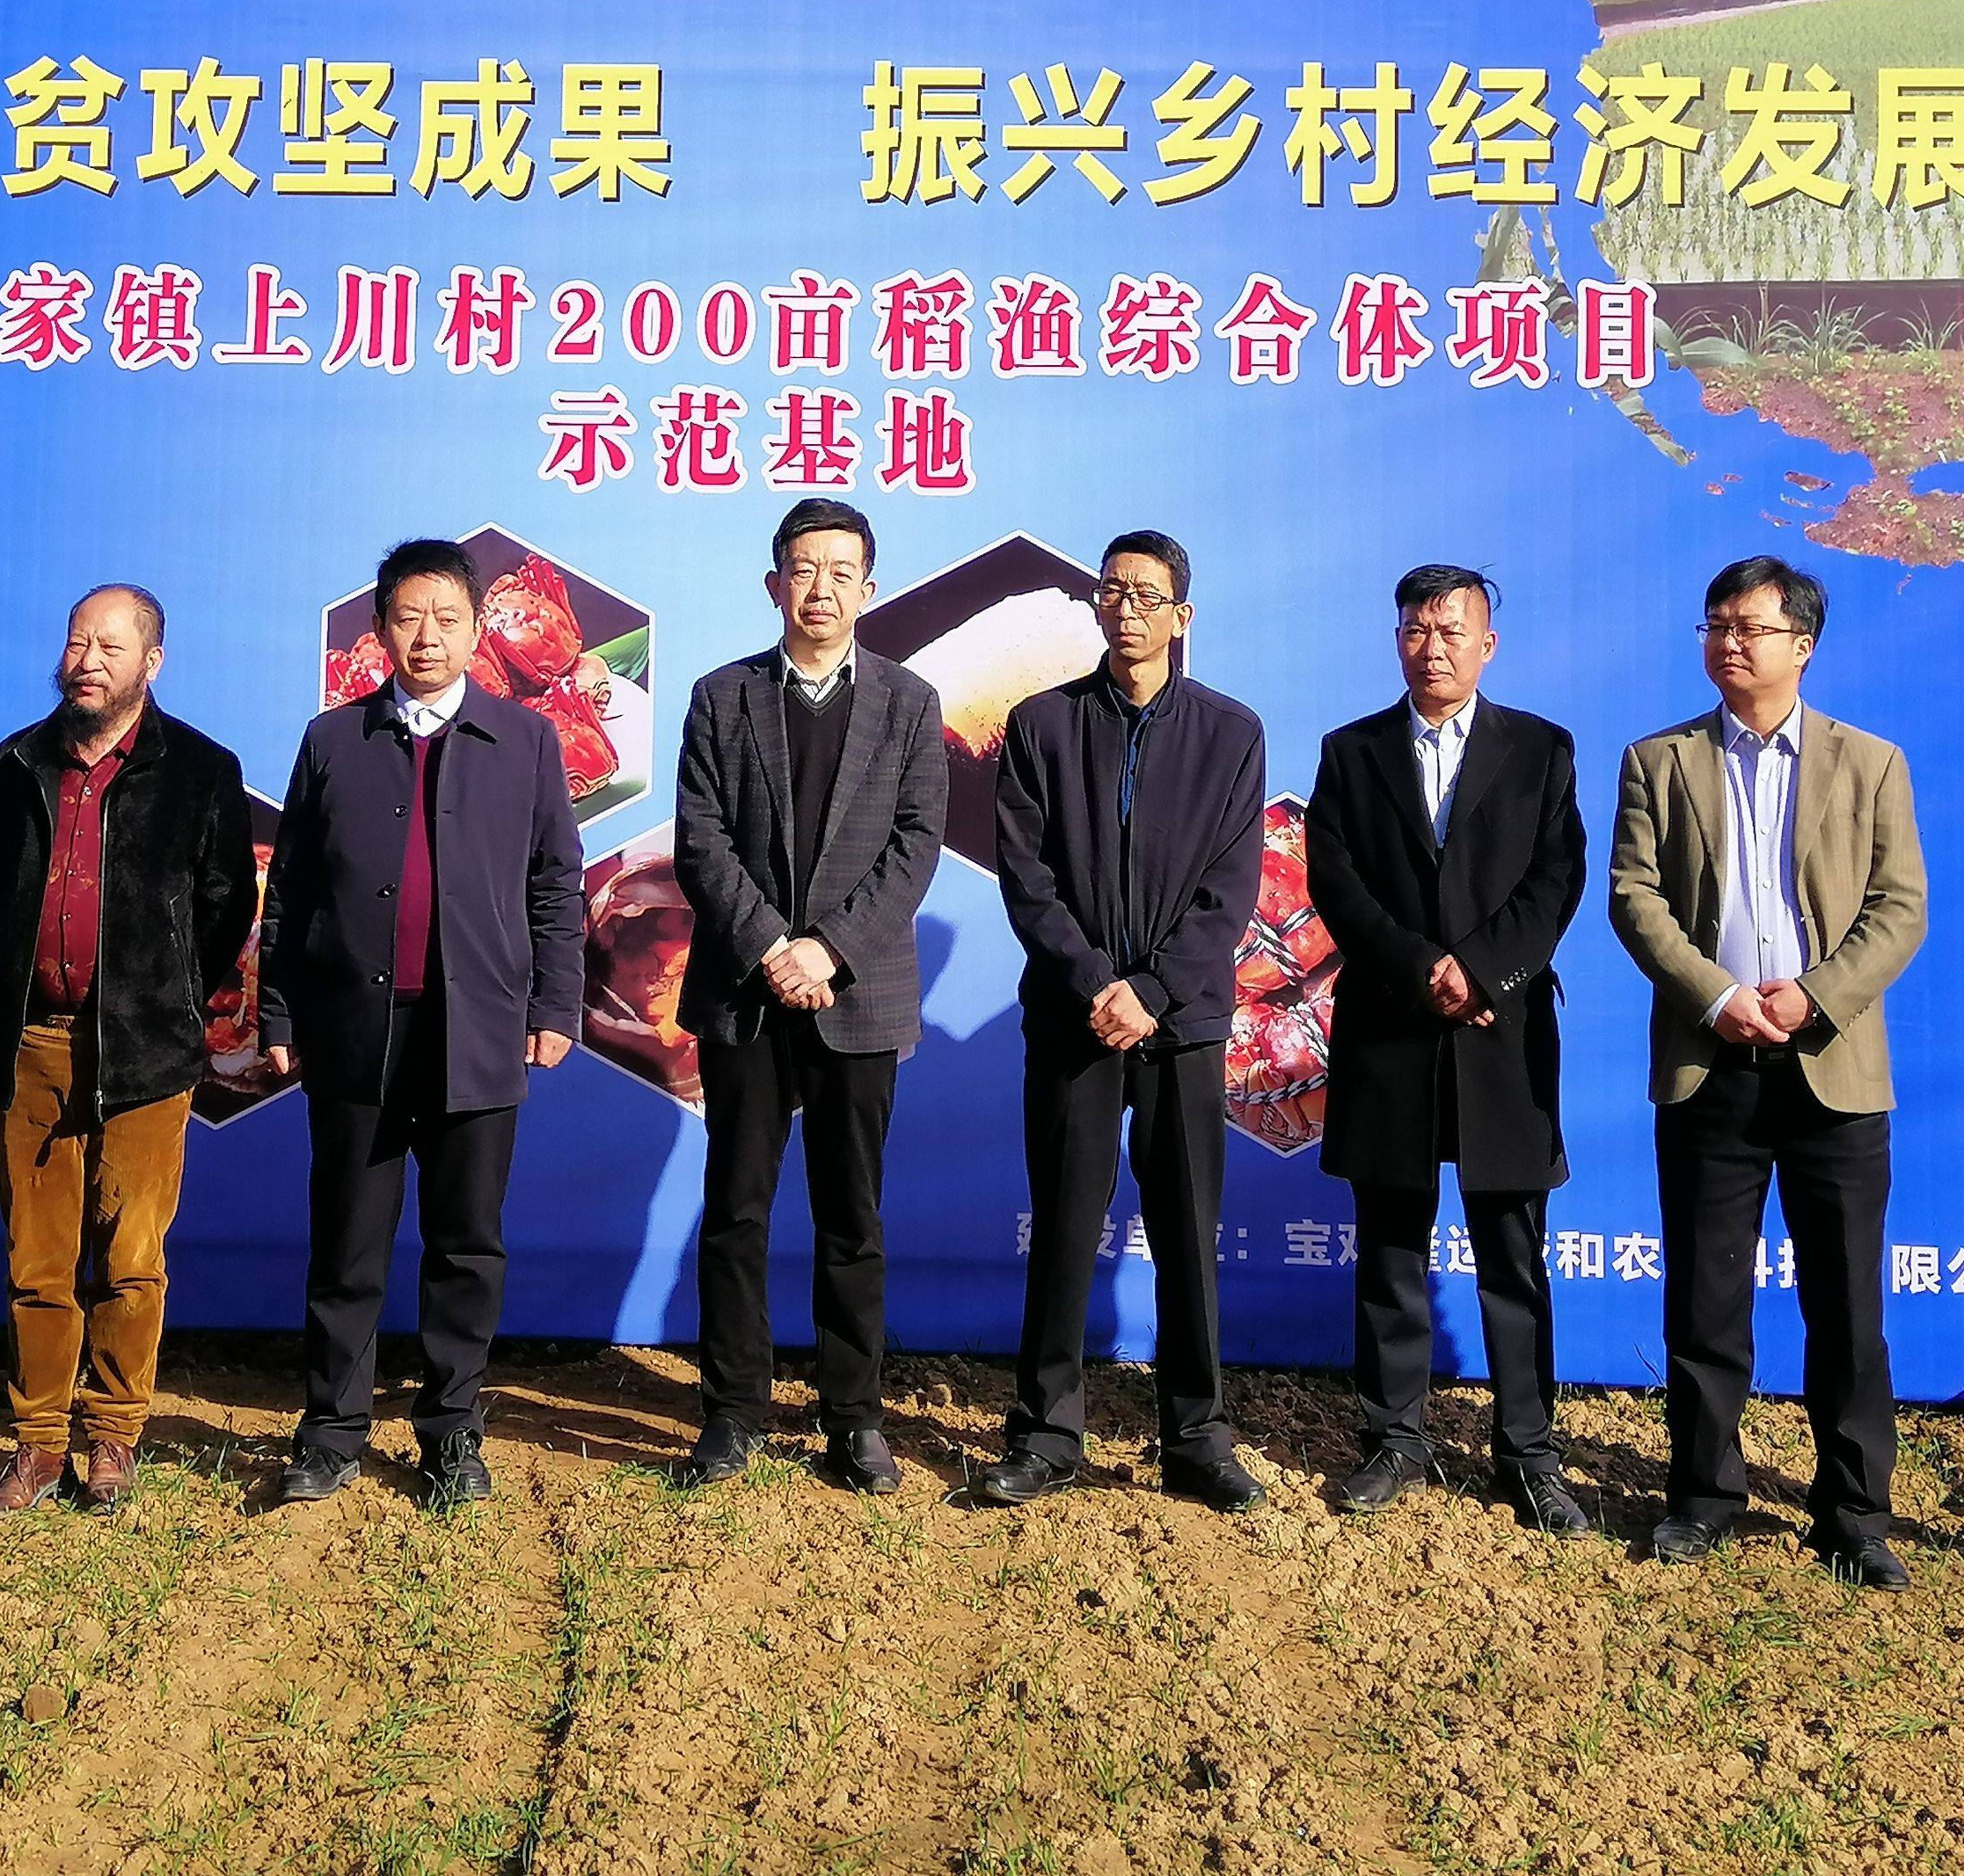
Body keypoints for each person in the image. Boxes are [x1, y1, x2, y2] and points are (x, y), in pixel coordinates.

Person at [1607, 556, 1928, 1587]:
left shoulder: (1869, 761)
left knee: (1847, 1306)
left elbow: (1900, 908)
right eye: (1715, 625)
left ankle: (1855, 1515)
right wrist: (1718, 996)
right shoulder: (1658, 760)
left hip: (1832, 1065)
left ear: (1803, 644)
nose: (1728, 643)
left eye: (1748, 626)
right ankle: (1703, 1498)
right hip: (1712, 1063)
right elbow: (1635, 898)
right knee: (1706, 1301)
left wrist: (1813, 997)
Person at [259, 537, 586, 1511]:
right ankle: (331, 1431)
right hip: (356, 1032)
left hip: (477, 1030)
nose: (428, 637)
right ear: (379, 631)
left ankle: (451, 1433)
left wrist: (555, 1003)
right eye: (408, 618)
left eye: (447, 618)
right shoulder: (333, 741)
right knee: (347, 1244)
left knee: (466, 1245)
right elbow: (292, 892)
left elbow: (556, 886)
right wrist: (279, 1008)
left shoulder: (525, 741)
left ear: (478, 630)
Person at [975, 529, 1270, 1514]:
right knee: (1064, 1225)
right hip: (1074, 1018)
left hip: (1184, 1023)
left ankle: (1196, 1437)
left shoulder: (1231, 732)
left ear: (1182, 617)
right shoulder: (1042, 724)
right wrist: (1099, 983)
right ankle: (1046, 1433)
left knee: (1187, 1232)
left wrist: (1153, 990)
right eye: (1112, 591)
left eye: (1148, 595)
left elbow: (1230, 889)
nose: (1127, 608)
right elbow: (1028, 878)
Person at [664, 497, 952, 1493]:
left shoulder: (911, 703)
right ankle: (732, 1410)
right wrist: (771, 947)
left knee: (851, 1216)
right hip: (745, 994)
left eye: (839, 571)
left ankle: (853, 1416)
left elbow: (916, 844)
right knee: (735, 1209)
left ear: (869, 589)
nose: (819, 588)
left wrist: (827, 950)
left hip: (857, 995)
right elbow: (700, 837)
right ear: (772, 583)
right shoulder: (721, 696)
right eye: (802, 568)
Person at [1301, 566, 1592, 1529]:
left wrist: (1483, 973)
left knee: (1513, 1252)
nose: (1433, 648)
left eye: (1452, 630)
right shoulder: (1352, 751)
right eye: (1417, 629)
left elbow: (1556, 880)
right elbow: (1336, 882)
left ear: (1487, 644)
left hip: (1502, 1035)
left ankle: (1529, 1452)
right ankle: (1394, 1439)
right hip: (1391, 1025)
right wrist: (1422, 968)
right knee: (1391, 1248)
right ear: (1397, 639)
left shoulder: (1541, 749)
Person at [0, 583, 254, 1522]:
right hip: (36, 1044)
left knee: (131, 1257)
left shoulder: (202, 769)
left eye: (111, 646)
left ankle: (114, 1438)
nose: (87, 661)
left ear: (151, 663)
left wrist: (163, 993)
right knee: (37, 1261)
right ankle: (37, 1445)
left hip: (145, 1052)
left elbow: (225, 907)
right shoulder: (17, 762)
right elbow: (5, 893)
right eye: (76, 641)